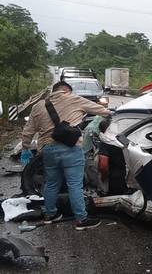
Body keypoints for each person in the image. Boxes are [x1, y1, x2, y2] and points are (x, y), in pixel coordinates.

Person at [21, 81, 112, 230]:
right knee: (75, 185)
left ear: (54, 91)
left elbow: (28, 130)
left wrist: (25, 148)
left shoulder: (38, 106)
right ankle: (81, 220)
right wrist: (111, 113)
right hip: (71, 149)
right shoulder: (74, 99)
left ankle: (50, 215)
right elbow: (103, 111)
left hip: (48, 150)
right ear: (67, 91)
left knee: (51, 183)